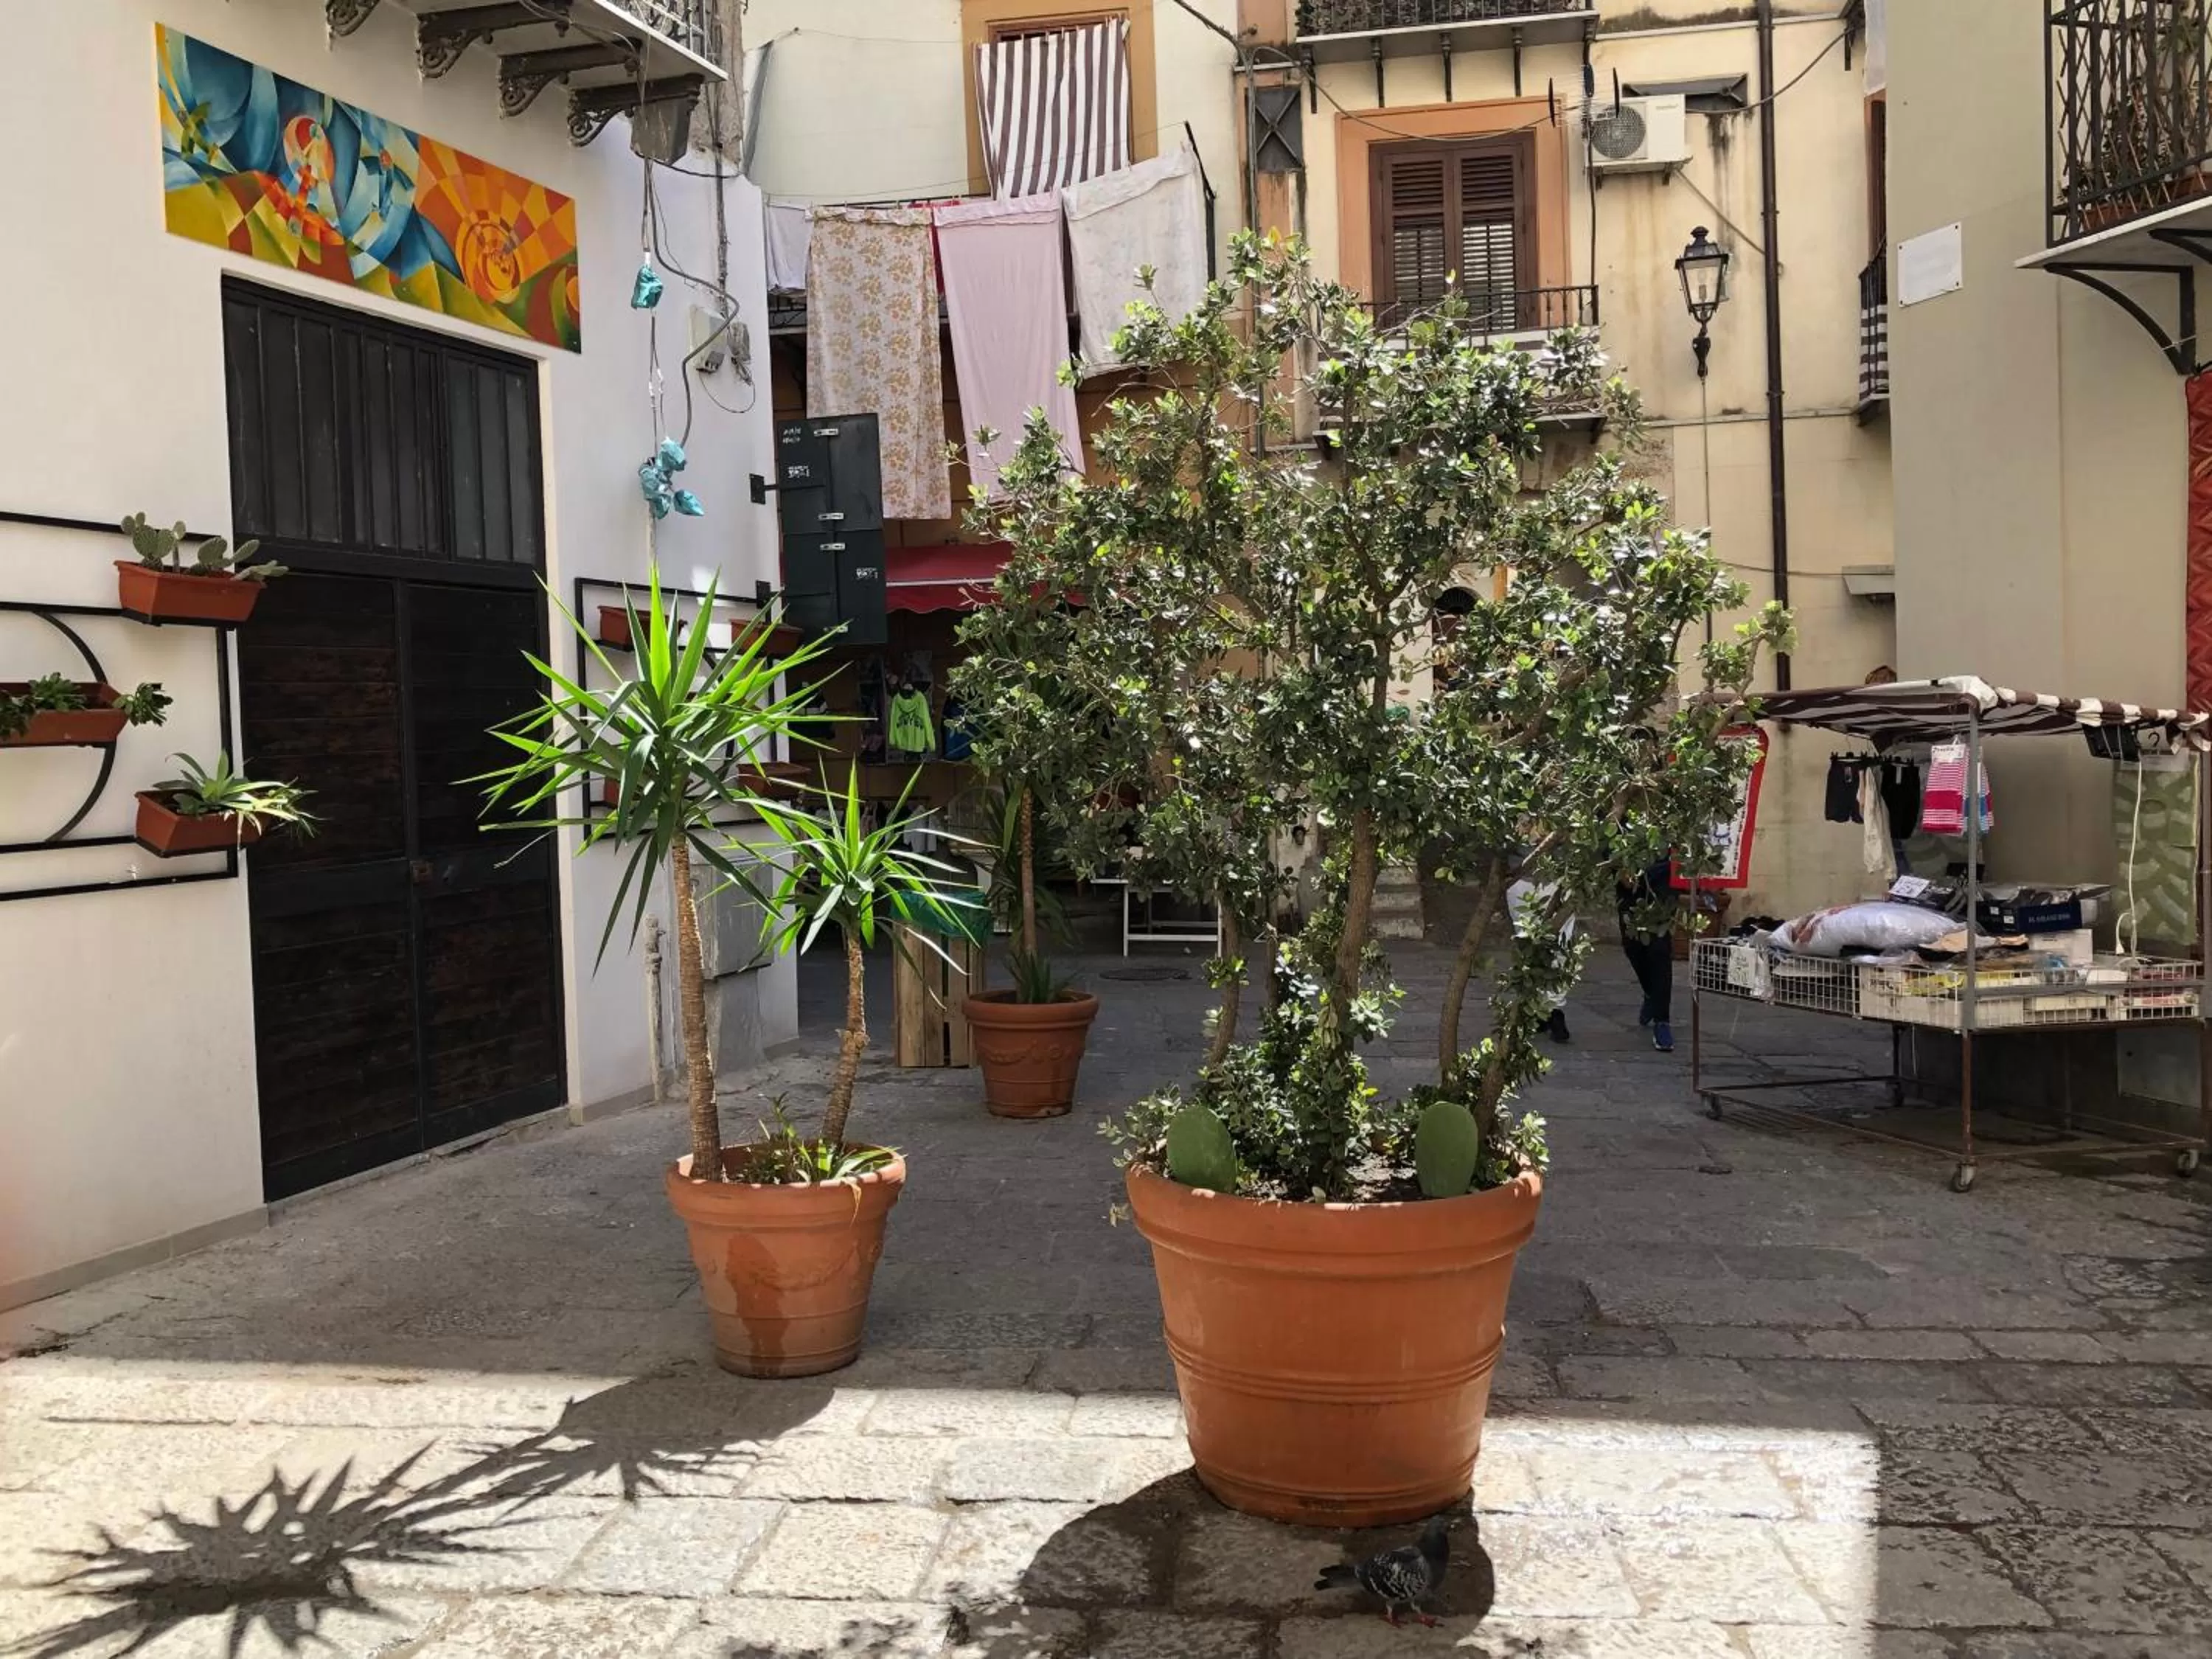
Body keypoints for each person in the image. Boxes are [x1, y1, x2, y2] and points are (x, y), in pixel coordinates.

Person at [1506, 870, 1576, 1043]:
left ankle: (1551, 1010)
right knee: (1531, 945)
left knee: (1560, 946)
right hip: (1522, 878)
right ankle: (1542, 1010)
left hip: (1559, 881)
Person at [1618, 853, 1676, 1052]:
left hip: (1664, 883)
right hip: (1631, 876)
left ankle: (1662, 1021)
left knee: (1659, 950)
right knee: (1632, 947)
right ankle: (1651, 993)